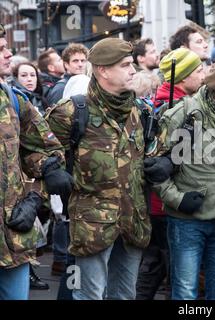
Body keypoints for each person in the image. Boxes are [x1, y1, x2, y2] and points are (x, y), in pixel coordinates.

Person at [45, 38, 155, 300]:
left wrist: (160, 162)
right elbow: (42, 148)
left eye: (132, 64)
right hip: (91, 225)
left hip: (132, 220)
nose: (133, 70)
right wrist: (52, 170)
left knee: (125, 295)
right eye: (125, 65)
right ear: (103, 70)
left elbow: (153, 149)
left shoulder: (141, 111)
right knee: (87, 294)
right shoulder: (72, 112)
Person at [149, 60, 215, 300]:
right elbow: (153, 167)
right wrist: (177, 199)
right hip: (188, 221)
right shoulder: (184, 114)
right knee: (185, 290)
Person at [0, 23, 72, 300]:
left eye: (6, 47)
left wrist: (35, 197)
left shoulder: (13, 99)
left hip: (12, 234)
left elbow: (45, 149)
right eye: (2, 49)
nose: (9, 54)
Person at [135, 48, 204, 300]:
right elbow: (161, 157)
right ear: (183, 77)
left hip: (162, 201)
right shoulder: (172, 106)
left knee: (157, 263)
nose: (203, 74)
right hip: (166, 201)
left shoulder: (172, 101)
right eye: (198, 70)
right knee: (173, 269)